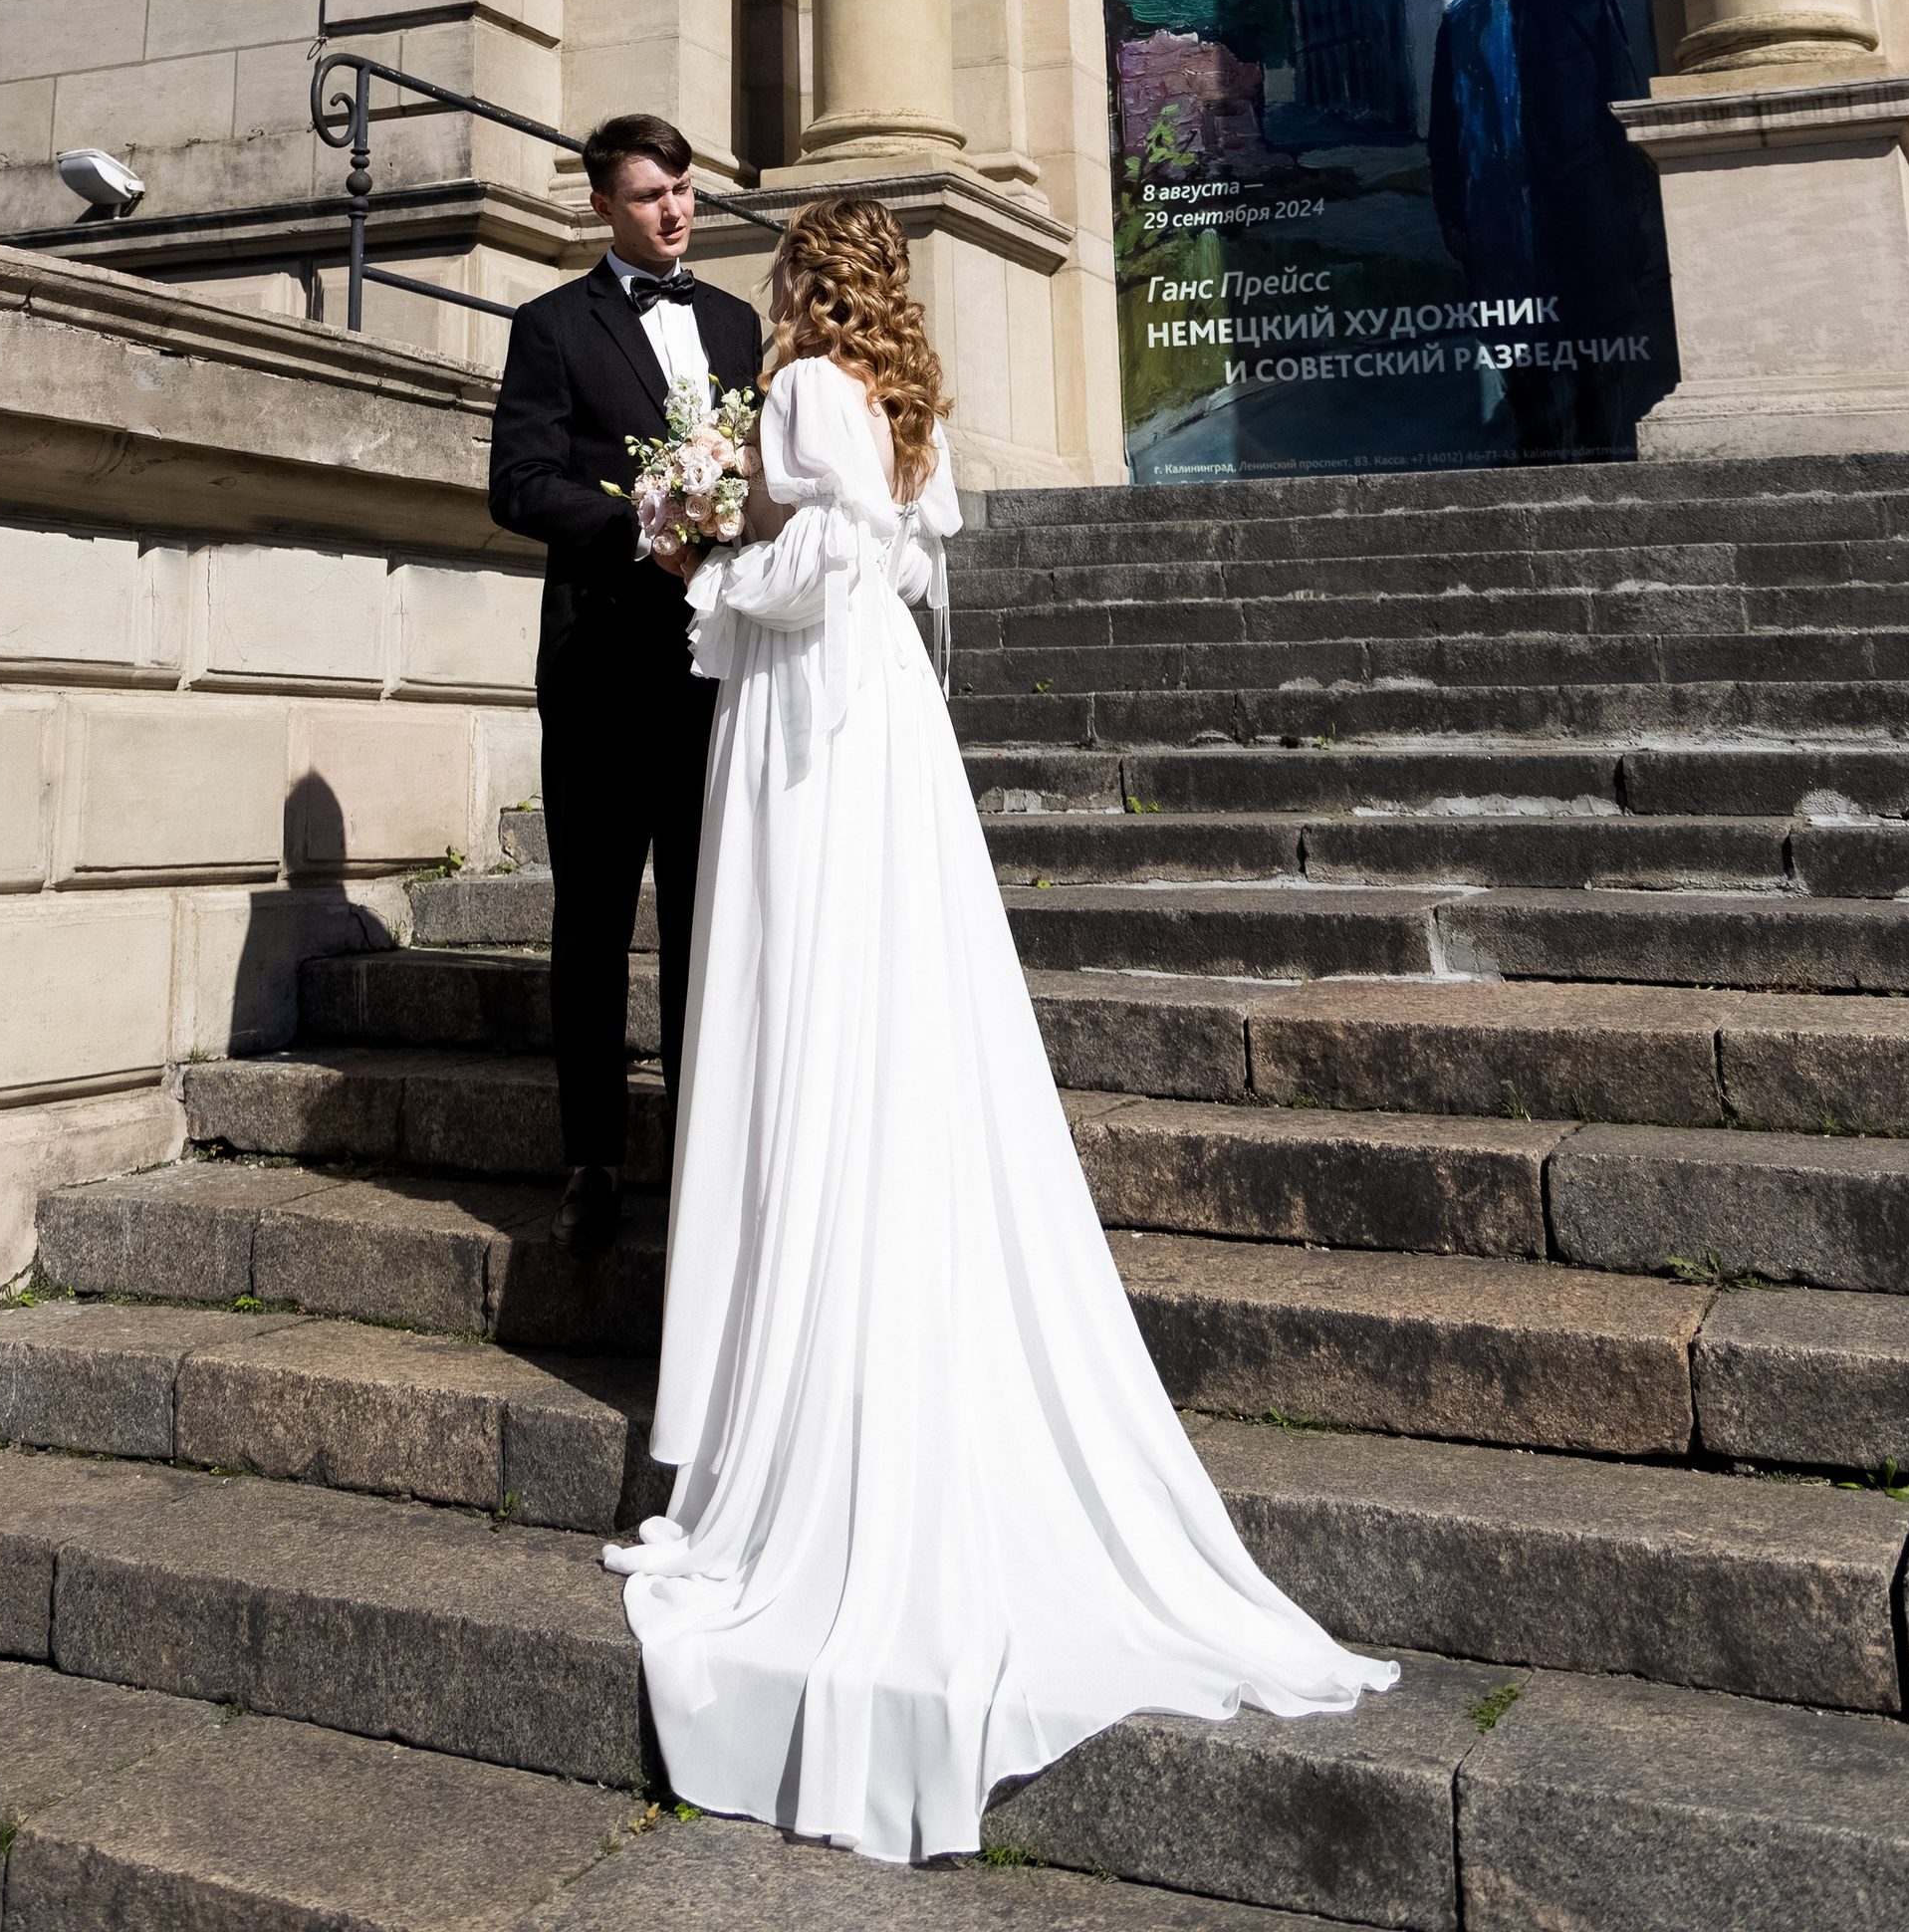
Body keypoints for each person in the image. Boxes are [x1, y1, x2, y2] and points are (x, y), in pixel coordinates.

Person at [608, 195, 1393, 1865]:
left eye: (785, 264)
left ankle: (797, 1418)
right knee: (881, 996)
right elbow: (903, 550)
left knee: (805, 989)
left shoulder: (810, 382)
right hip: (881, 710)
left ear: (808, 277)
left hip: (813, 710)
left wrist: (707, 561)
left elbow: (819, 565)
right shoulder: (907, 397)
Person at [487, 113, 765, 1257]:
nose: (675, 209)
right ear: (602, 203)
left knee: (712, 917)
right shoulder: (551, 326)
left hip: (720, 670)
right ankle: (592, 1159)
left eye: (683, 188)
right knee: (593, 919)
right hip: (602, 664)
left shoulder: (741, 322)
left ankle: (706, 1142)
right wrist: (636, 523)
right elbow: (517, 484)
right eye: (650, 194)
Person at [1427, 0, 1666, 451]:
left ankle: (1541, 463)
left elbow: (1445, 136)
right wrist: (1634, 206)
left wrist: (1451, 216)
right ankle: (1600, 456)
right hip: (1588, 207)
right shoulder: (1588, 4)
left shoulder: (1461, 20)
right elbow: (1623, 112)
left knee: (1523, 364)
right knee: (1597, 353)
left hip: (1499, 217)